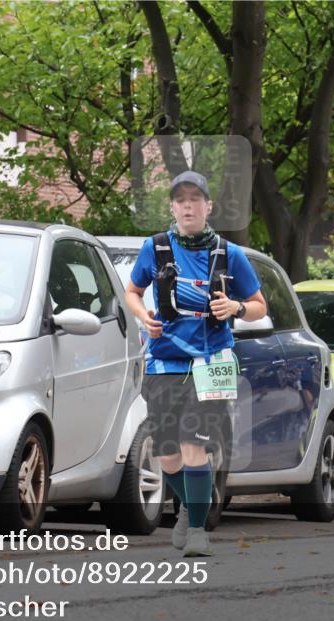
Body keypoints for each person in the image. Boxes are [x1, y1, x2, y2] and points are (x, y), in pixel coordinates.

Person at [124, 171, 267, 557]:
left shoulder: (229, 254)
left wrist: (236, 307)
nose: (188, 206)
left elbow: (258, 307)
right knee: (168, 453)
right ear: (172, 207)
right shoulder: (154, 249)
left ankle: (199, 530)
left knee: (193, 445)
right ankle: (190, 504)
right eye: (180, 200)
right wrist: (144, 317)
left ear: (208, 206)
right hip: (164, 363)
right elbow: (132, 292)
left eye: (195, 199)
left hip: (213, 361)